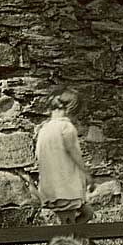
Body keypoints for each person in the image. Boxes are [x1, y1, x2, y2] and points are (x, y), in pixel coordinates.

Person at [35, 86, 94, 225]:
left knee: (87, 213)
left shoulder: (44, 129)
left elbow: (39, 156)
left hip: (52, 188)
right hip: (65, 189)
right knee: (67, 222)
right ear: (71, 110)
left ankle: (73, 236)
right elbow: (73, 151)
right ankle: (67, 237)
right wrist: (86, 173)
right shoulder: (66, 127)